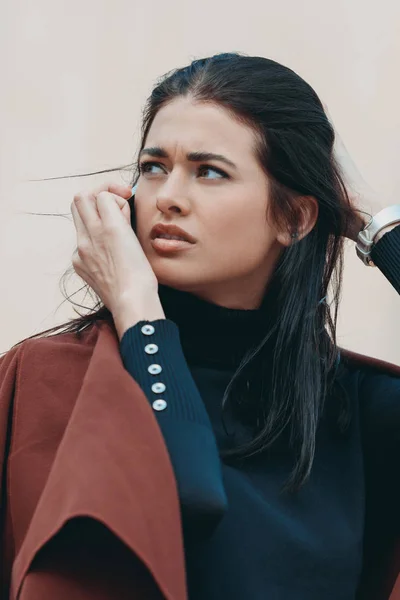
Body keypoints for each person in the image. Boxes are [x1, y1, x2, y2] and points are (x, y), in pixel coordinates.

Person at [1, 52, 400, 600]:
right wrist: (137, 310)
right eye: (153, 167)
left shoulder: (356, 411)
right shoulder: (49, 379)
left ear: (294, 218)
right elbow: (186, 499)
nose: (166, 197)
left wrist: (374, 219)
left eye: (209, 172)